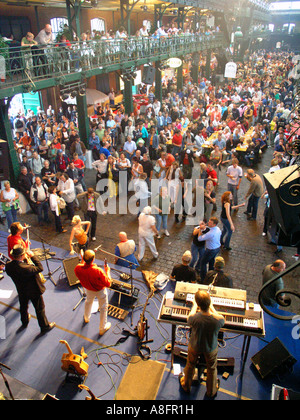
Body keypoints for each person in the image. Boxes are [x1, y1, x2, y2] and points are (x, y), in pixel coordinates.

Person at [179, 290, 224, 397]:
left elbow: (189, 317)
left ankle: (186, 385)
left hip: (195, 346)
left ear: (198, 304)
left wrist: (194, 306)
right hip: (210, 348)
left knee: (190, 364)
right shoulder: (218, 320)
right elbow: (218, 316)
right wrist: (212, 307)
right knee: (212, 368)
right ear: (209, 303)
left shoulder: (194, 318)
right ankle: (211, 391)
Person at [5, 245, 55, 333]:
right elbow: (40, 268)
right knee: (40, 309)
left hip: (21, 290)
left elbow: (18, 268)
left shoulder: (9, 266)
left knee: (23, 307)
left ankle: (24, 321)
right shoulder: (27, 268)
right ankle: (44, 326)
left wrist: (25, 261)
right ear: (22, 255)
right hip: (34, 291)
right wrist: (32, 256)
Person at [74, 249, 111, 335]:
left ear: (83, 258)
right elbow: (108, 283)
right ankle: (102, 328)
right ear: (93, 259)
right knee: (103, 308)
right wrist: (107, 271)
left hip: (88, 290)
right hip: (100, 291)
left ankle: (86, 318)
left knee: (88, 302)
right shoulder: (98, 271)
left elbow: (82, 266)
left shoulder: (77, 268)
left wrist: (82, 257)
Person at [198, 217, 222, 282]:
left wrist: (200, 229)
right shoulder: (217, 229)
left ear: (214, 224)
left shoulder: (211, 233)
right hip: (217, 248)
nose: (208, 223)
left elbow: (200, 238)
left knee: (203, 263)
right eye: (208, 221)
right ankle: (210, 276)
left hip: (210, 250)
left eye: (210, 223)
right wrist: (205, 227)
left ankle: (203, 278)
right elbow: (208, 229)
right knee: (211, 262)